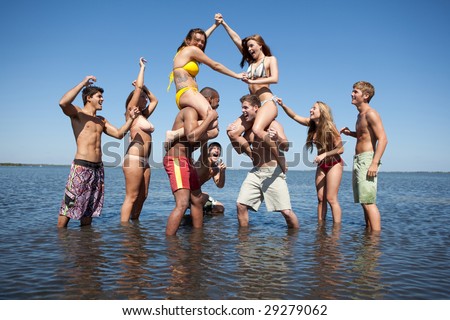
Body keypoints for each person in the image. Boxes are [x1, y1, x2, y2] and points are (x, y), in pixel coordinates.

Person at [58, 76, 139, 227]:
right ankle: (60, 239)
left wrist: (131, 119)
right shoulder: (78, 114)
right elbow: (63, 102)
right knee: (69, 206)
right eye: (99, 96)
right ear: (89, 98)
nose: (103, 99)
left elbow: (119, 134)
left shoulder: (102, 120)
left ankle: (87, 243)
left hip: (97, 169)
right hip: (81, 167)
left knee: (89, 208)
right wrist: (83, 83)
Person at [215, 13, 286, 173]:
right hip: (254, 106)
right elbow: (236, 40)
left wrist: (252, 81)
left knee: (257, 131)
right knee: (232, 132)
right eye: (248, 47)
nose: (249, 49)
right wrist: (224, 23)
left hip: (267, 103)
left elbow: (275, 79)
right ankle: (254, 158)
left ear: (260, 44)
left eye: (252, 45)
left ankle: (279, 157)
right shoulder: (250, 62)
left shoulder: (270, 60)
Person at [227, 94, 299, 229]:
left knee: (286, 212)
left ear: (256, 108)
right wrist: (231, 135)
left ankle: (294, 240)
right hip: (256, 172)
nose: (243, 111)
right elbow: (238, 150)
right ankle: (244, 241)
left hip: (273, 172)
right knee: (241, 205)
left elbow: (286, 146)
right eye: (242, 108)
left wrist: (277, 138)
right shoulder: (248, 131)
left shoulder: (273, 124)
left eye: (245, 107)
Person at [165, 27, 244, 145]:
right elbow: (215, 65)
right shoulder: (191, 50)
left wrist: (215, 25)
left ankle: (182, 140)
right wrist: (236, 75)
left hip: (183, 95)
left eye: (203, 42)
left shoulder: (183, 51)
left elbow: (200, 39)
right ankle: (174, 134)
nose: (200, 44)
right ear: (187, 41)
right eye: (197, 40)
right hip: (188, 92)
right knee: (213, 121)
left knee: (214, 132)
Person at [276, 98, 344, 224]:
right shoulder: (311, 124)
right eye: (311, 108)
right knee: (320, 198)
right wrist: (283, 105)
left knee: (331, 198)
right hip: (322, 165)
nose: (310, 110)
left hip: (334, 164)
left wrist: (324, 154)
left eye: (314, 108)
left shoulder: (330, 127)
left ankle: (336, 231)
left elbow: (340, 149)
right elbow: (294, 116)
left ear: (322, 112)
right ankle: (320, 226)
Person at [164, 103, 219, 236]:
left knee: (197, 200)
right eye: (216, 102)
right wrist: (209, 118)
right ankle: (170, 243)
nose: (217, 106)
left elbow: (209, 135)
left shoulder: (199, 121)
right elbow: (192, 137)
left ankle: (198, 238)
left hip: (187, 162)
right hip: (177, 160)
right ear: (208, 101)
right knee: (182, 204)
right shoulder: (190, 111)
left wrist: (210, 128)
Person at [340, 81, 388, 231]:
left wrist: (374, 163)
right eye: (352, 91)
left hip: (368, 159)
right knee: (363, 200)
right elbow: (364, 136)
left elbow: (383, 139)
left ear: (366, 95)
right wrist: (350, 133)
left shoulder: (371, 114)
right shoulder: (360, 115)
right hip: (359, 160)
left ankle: (374, 242)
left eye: (355, 92)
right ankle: (368, 237)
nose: (351, 94)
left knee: (368, 201)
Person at [120, 57, 158, 222]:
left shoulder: (144, 114)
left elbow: (155, 100)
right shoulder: (131, 112)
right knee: (132, 196)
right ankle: (124, 229)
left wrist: (146, 89)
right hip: (134, 159)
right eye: (143, 97)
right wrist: (142, 69)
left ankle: (134, 226)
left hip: (145, 161)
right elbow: (138, 90)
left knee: (143, 196)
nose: (146, 99)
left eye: (145, 97)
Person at [195, 141, 226, 215]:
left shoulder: (216, 168)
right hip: (186, 192)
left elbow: (220, 185)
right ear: (208, 151)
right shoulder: (203, 160)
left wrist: (222, 172)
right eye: (214, 148)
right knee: (205, 196)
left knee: (220, 208)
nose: (216, 150)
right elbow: (203, 146)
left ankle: (204, 212)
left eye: (218, 149)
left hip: (197, 193)